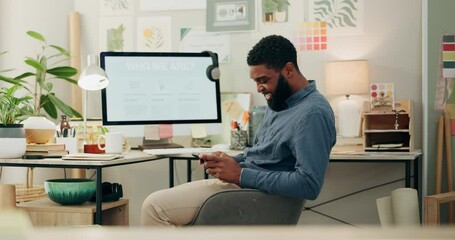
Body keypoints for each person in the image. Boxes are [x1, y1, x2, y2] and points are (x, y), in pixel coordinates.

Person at [140, 34, 336, 226]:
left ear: (289, 70)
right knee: (156, 203)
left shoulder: (312, 113)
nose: (259, 88)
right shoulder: (279, 101)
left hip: (257, 196)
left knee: (154, 207)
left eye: (263, 80)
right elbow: (263, 155)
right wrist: (229, 161)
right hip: (243, 185)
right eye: (256, 81)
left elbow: (309, 184)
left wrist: (240, 175)